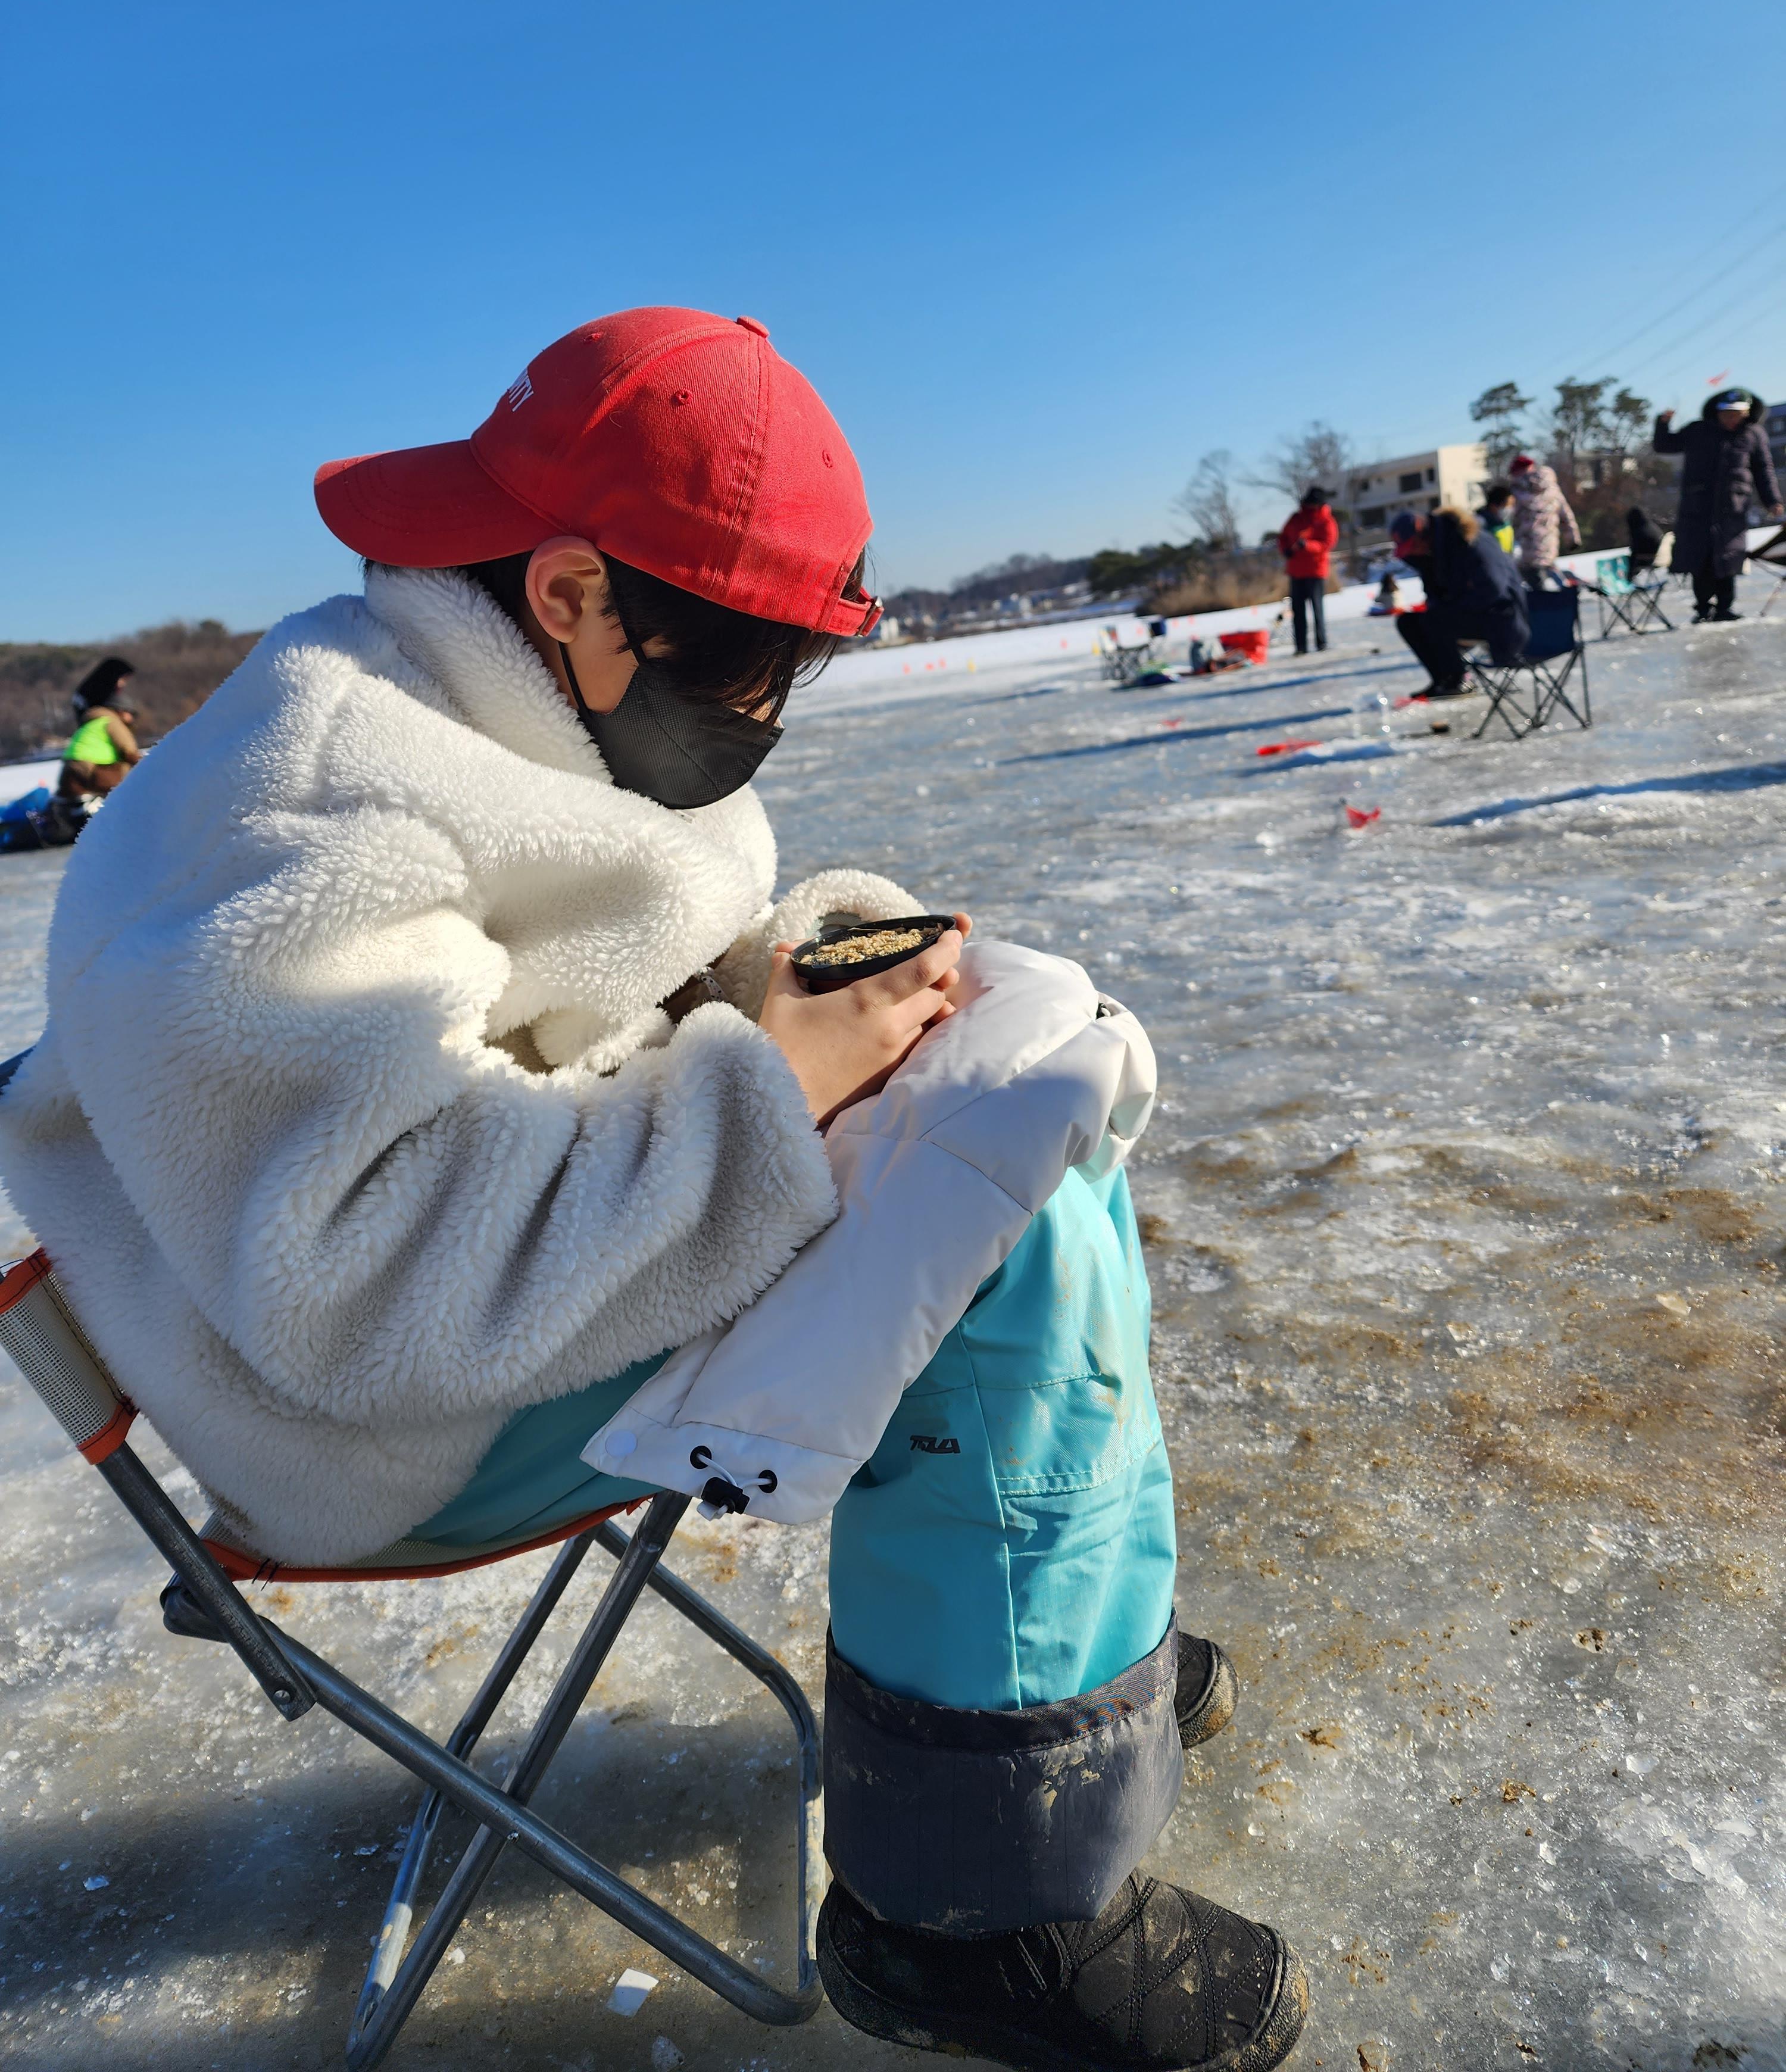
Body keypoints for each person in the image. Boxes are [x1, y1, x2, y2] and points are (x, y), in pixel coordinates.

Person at [0, 308, 1307, 2072]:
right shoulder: (305, 810)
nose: (760, 717)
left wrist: (816, 979)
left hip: (498, 1280)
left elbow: (612, 970)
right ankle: (976, 1909)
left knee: (998, 1103)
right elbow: (371, 1288)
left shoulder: (485, 705)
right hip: (369, 1421)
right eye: (748, 669)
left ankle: (1051, 1668)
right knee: (999, 1215)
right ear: (568, 595)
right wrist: (775, 1087)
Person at [1654, 388, 1782, 622]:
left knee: (1728, 559)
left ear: (1746, 413)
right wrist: (1662, 425)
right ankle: (1703, 608)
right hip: (1698, 508)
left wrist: (1772, 501)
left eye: (1736, 413)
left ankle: (1725, 607)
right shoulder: (1698, 430)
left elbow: (1764, 470)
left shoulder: (1754, 434)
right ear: (1717, 412)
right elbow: (1665, 445)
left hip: (1733, 508)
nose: (1730, 418)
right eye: (1726, 413)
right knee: (1701, 559)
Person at [1390, 506, 1529, 697]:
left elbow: (1493, 590)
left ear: (1424, 533)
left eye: (1413, 546)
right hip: (1475, 614)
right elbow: (1436, 595)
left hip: (1504, 619)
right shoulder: (1435, 554)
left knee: (1435, 620)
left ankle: (1458, 679)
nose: (1412, 553)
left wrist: (1449, 608)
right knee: (1409, 622)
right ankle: (1445, 680)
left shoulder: (1471, 542)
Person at [56, 656, 142, 803]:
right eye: (124, 679)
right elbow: (129, 751)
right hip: (91, 769)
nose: (124, 683)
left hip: (70, 770)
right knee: (129, 775)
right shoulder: (109, 718)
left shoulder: (94, 718)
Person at [1277, 485, 1338, 654]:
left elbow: (1327, 544)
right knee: (1298, 611)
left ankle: (1321, 642)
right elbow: (1283, 538)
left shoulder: (1327, 521)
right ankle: (1301, 646)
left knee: (1317, 608)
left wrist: (1307, 545)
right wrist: (1286, 550)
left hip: (1316, 570)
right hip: (1296, 571)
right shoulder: (1296, 518)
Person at [1507, 452, 1579, 591]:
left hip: (1524, 545)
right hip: (1548, 541)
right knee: (1548, 570)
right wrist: (1572, 538)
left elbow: (1508, 519)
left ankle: (1548, 605)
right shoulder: (1552, 488)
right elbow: (1566, 514)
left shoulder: (1515, 491)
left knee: (1534, 582)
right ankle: (1565, 600)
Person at [1481, 480, 1516, 555]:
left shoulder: (1506, 524)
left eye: (1512, 505)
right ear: (1494, 506)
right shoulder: (1482, 525)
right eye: (1507, 505)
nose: (1510, 509)